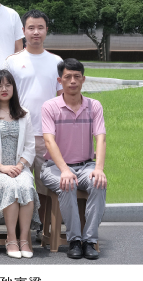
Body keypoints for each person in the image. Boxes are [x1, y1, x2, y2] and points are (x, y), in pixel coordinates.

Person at [40, 58, 107, 260]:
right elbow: (49, 141)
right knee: (67, 183)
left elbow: (101, 138)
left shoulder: (94, 106)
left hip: (86, 165)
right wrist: (65, 170)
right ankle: (75, 240)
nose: (72, 81)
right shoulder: (50, 106)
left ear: (83, 79)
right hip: (54, 167)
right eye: (67, 77)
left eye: (77, 77)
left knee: (98, 183)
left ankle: (89, 240)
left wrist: (99, 169)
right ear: (59, 80)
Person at [0, 69, 39, 259]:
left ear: (13, 88)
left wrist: (20, 165)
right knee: (10, 187)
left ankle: (24, 239)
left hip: (19, 168)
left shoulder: (24, 114)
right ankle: (11, 238)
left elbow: (30, 146)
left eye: (8, 85)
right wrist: (1, 167)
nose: (4, 89)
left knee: (27, 187)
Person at [3, 10, 64, 174]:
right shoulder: (11, 62)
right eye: (31, 28)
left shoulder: (57, 62)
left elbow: (63, 99)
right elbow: (3, 98)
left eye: (40, 27)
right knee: (20, 183)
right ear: (23, 31)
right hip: (19, 133)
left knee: (47, 184)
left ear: (47, 30)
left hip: (48, 135)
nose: (36, 32)